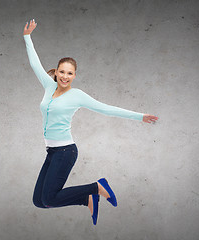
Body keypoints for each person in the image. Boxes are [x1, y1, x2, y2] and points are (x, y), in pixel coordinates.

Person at [23, 19, 158, 225]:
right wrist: (27, 36)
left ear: (74, 75)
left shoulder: (77, 95)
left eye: (69, 73)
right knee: (39, 202)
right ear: (57, 72)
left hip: (65, 152)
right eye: (62, 72)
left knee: (49, 198)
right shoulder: (49, 86)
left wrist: (139, 116)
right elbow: (35, 64)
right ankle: (86, 199)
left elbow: (107, 109)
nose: (65, 77)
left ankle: (96, 187)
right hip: (51, 152)